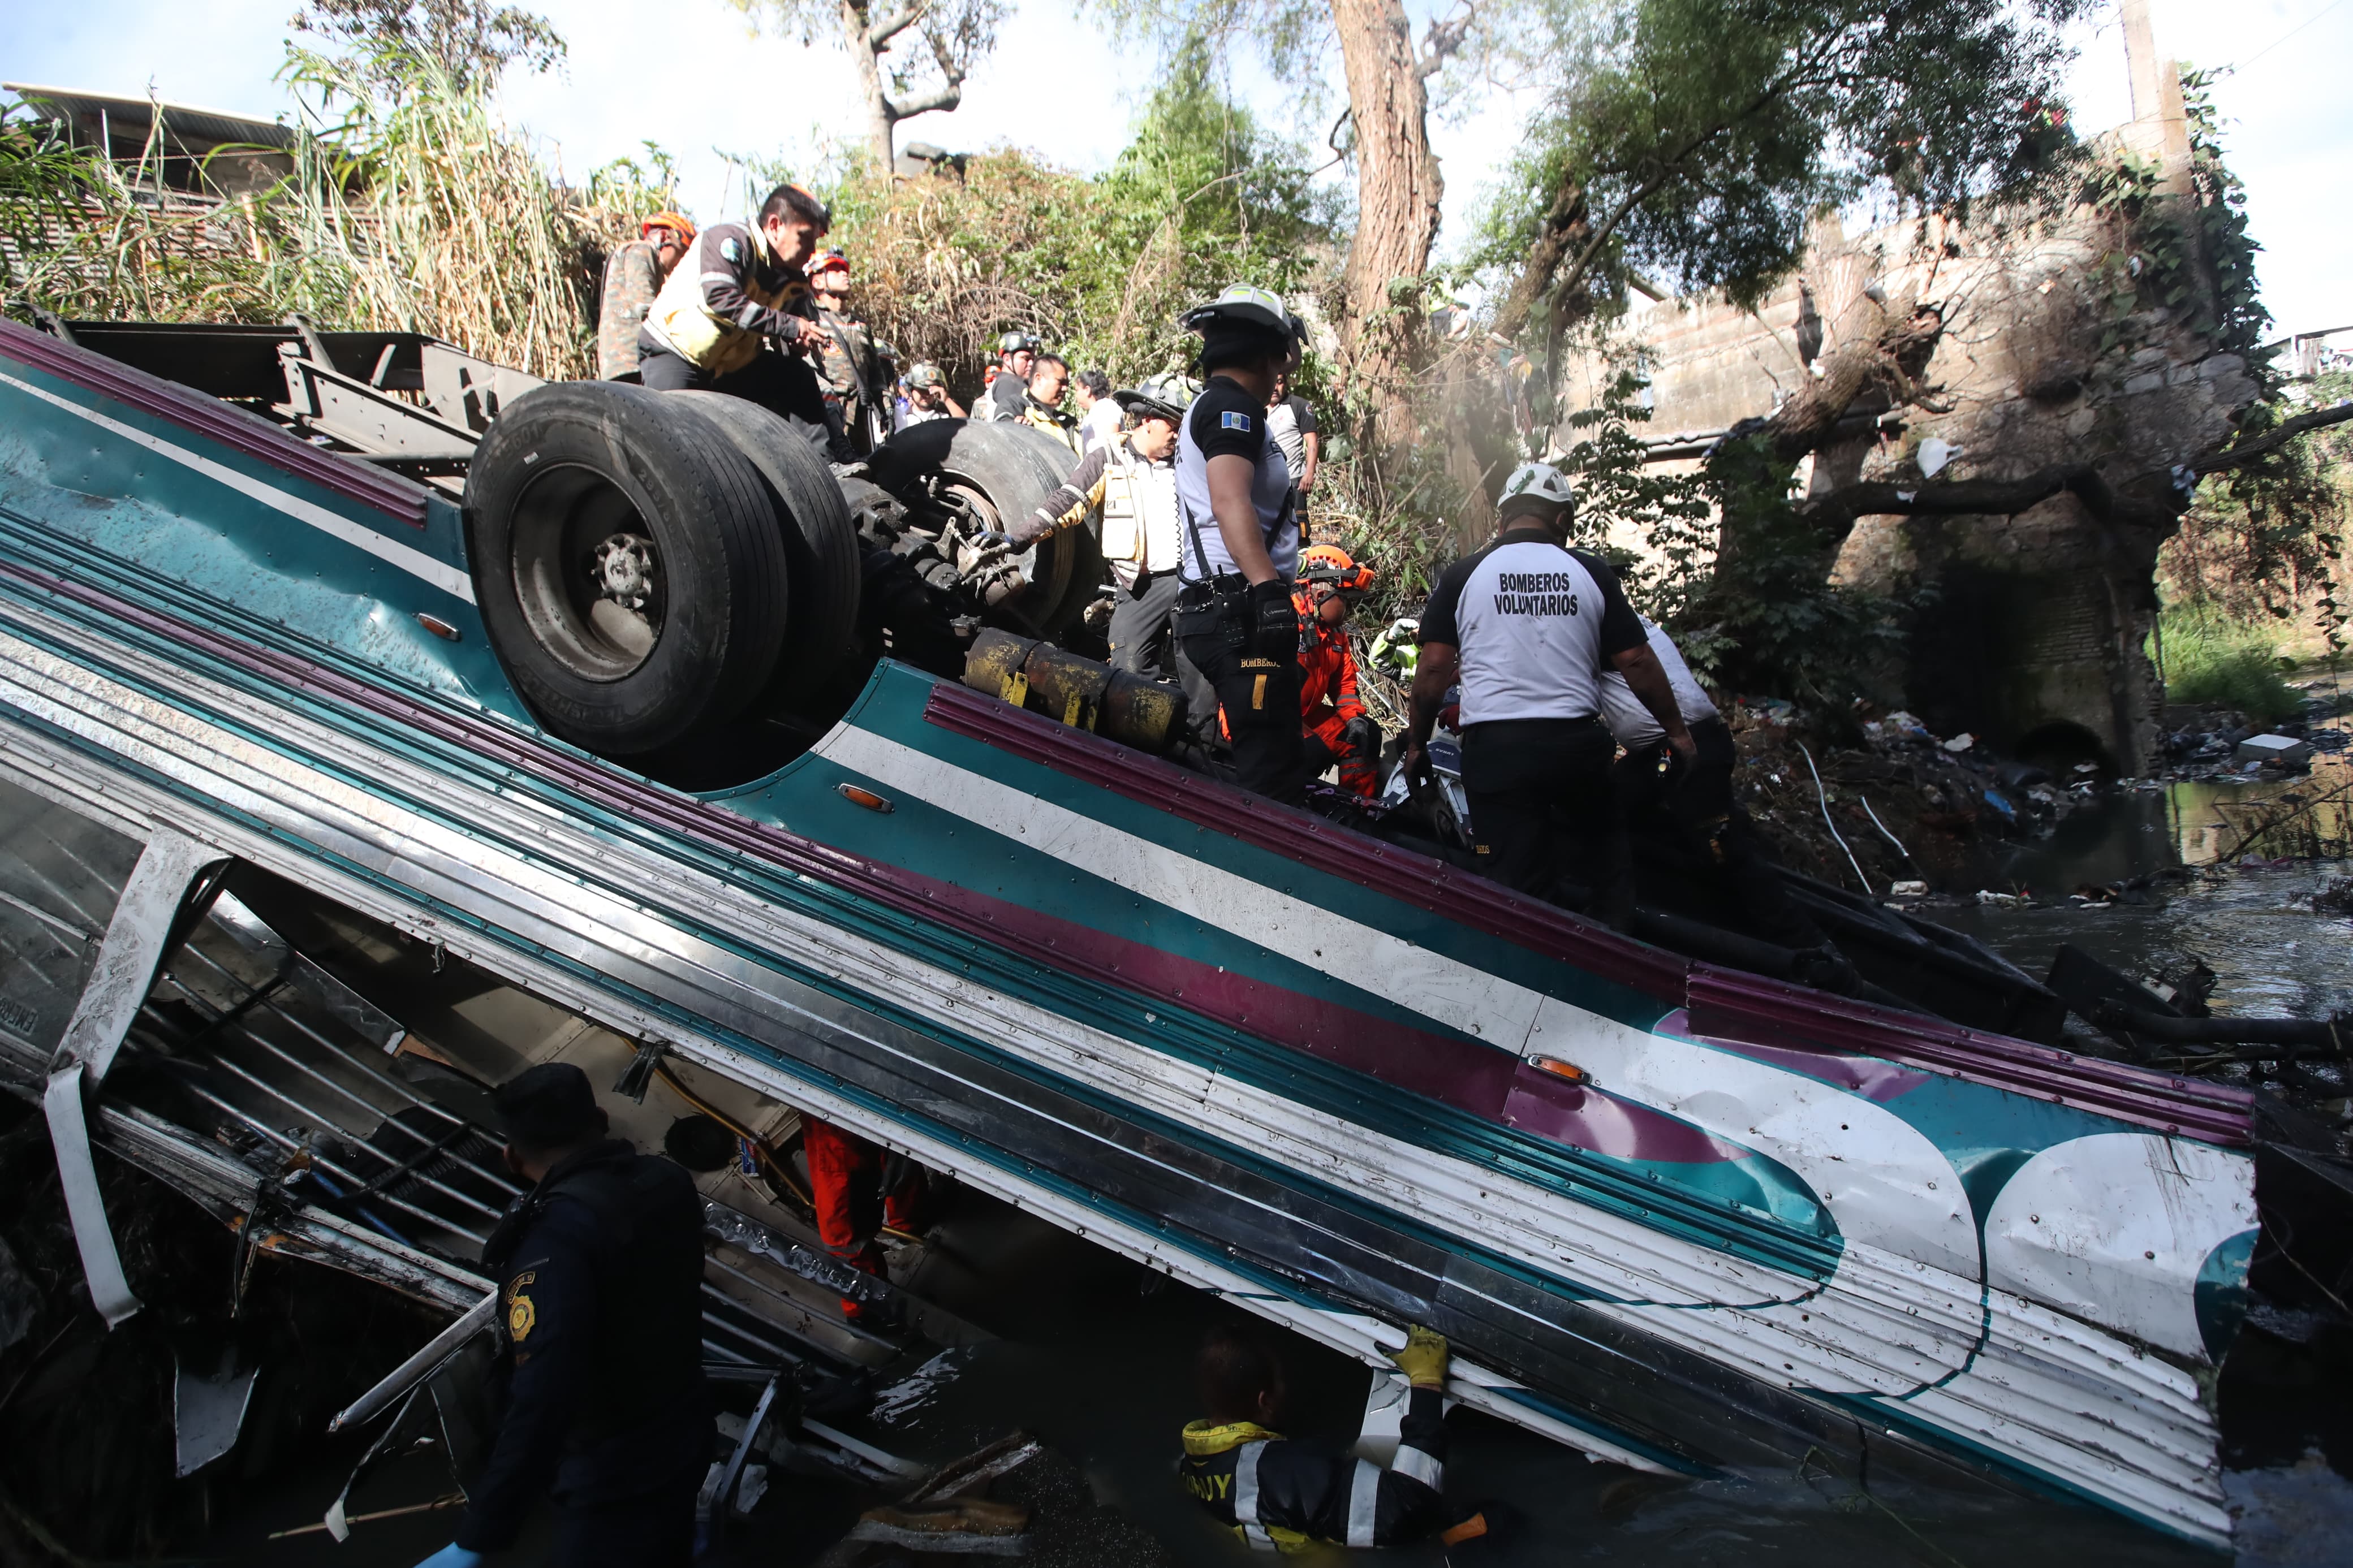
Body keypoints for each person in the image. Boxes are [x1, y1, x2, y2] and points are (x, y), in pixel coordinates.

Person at [412, 1064, 710, 1568]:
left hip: (614, 1471)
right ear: (599, 1116)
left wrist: (480, 1535)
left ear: (510, 1156)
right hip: (684, 1427)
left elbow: (544, 1392)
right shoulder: (666, 1180)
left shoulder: (554, 1242)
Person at [1406, 461, 1694, 926]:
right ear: (1562, 520)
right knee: (1608, 870)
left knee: (1515, 888)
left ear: (1502, 521)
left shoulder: (1464, 575)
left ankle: (1531, 974)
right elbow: (1637, 661)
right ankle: (1613, 962)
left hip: (1498, 754)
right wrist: (1678, 732)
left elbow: (1435, 669)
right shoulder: (1591, 572)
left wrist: (1418, 744)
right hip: (1576, 749)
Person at [1602, 615, 1829, 945]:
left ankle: (1809, 947)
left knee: (1721, 849)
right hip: (1662, 753)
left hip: (1687, 744)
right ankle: (1658, 898)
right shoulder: (1635, 621)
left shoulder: (1604, 626)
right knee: (1606, 804)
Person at [1179, 1323, 1486, 1552]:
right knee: (1493, 1521)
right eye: (1281, 1380)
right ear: (1265, 1402)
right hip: (1326, 1558)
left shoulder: (1191, 1459)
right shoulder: (1285, 1472)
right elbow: (1406, 1510)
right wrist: (1427, 1382)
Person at [1172, 284, 1307, 802]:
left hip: (1226, 604)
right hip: (1237, 608)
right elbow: (1231, 503)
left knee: (1269, 754)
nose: (1283, 373)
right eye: (1281, 359)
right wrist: (1269, 591)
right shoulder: (1234, 408)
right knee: (1272, 772)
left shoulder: (1216, 406)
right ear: (1264, 352)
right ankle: (1263, 877)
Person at [1009, 373, 1192, 680]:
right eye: (1172, 426)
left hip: (1190, 582)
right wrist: (1018, 537)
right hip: (1141, 585)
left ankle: (1201, 729)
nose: (1177, 434)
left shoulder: (1188, 461)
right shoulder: (1108, 457)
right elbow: (1068, 500)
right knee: (1128, 670)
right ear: (1148, 420)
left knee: (1199, 672)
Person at [637, 182, 836, 455]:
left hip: (731, 367)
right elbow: (721, 300)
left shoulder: (793, 280)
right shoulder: (729, 241)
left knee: (795, 377)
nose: (812, 250)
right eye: (804, 238)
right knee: (671, 444)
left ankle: (827, 467)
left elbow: (788, 329)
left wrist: (797, 341)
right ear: (775, 226)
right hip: (674, 351)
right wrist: (791, 327)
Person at [800, 1118, 923, 1322]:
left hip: (842, 1139)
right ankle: (867, 1312)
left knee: (850, 1231)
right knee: (848, 1234)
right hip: (841, 1149)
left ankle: (870, 1304)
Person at [1294, 544, 1380, 797]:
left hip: (1305, 716)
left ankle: (1353, 809)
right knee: (1312, 753)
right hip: (1267, 719)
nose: (1347, 608)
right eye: (1344, 599)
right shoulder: (1286, 621)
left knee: (1365, 736)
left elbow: (1344, 686)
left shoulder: (1335, 635)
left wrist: (1353, 718)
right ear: (1321, 592)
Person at [808, 248, 890, 454]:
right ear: (818, 282)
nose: (845, 274)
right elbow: (807, 370)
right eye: (835, 270)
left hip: (862, 414)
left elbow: (876, 373)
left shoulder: (860, 324)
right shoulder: (810, 320)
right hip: (828, 416)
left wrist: (885, 406)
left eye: (845, 270)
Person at [597, 211, 695, 381]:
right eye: (682, 253)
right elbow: (644, 306)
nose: (680, 262)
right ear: (665, 237)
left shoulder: (638, 255)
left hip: (620, 362)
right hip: (631, 360)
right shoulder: (641, 250)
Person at [1265, 372, 1319, 543]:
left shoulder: (1298, 406)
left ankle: (1303, 560)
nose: (1275, 387)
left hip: (1294, 480)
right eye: (1272, 382)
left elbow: (1312, 442)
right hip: (1266, 482)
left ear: (1285, 384)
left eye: (1279, 382)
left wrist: (1309, 473)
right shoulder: (1257, 407)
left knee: (1299, 528)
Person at [1016, 353, 1081, 453]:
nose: (1065, 388)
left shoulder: (1068, 422)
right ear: (1039, 379)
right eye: (1061, 382)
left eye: (1067, 384)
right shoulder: (1016, 407)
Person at [979, 332, 1038, 422]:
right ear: (1007, 359)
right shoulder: (1008, 383)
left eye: (1033, 359)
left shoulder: (1007, 380)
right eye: (1026, 358)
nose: (1031, 364)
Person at [900, 361, 964, 425]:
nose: (927, 395)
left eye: (931, 391)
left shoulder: (943, 419)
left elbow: (967, 427)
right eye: (922, 390)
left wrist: (946, 400)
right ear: (911, 389)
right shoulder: (902, 420)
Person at [1074, 369, 1121, 452]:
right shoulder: (1091, 414)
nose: (1076, 395)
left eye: (1077, 390)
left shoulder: (1108, 406)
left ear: (1087, 390)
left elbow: (1112, 443)